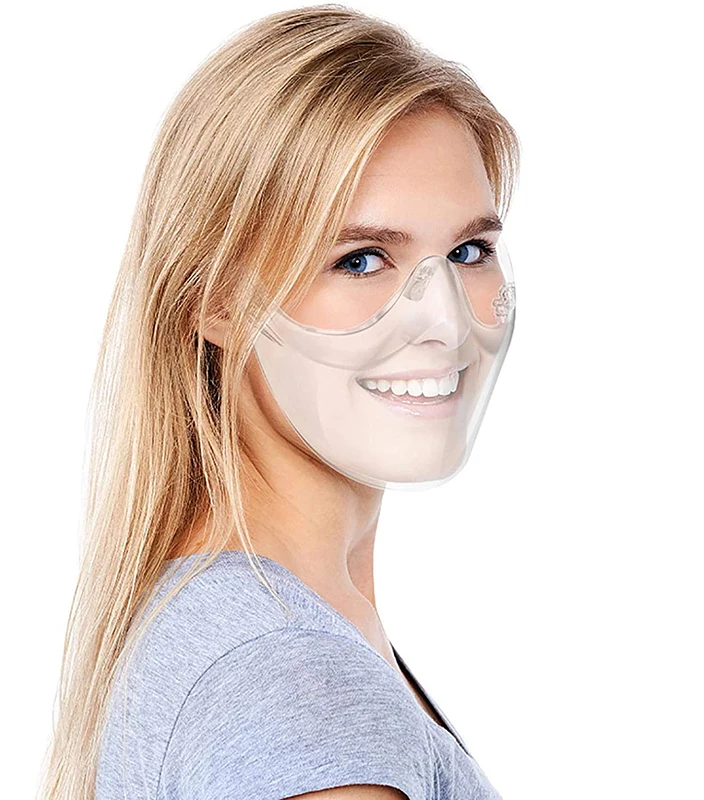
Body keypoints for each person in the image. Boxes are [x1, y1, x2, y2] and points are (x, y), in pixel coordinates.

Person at [38, 5, 520, 799]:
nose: (446, 320)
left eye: (470, 251)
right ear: (217, 301)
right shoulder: (293, 679)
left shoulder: (252, 623)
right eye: (360, 259)